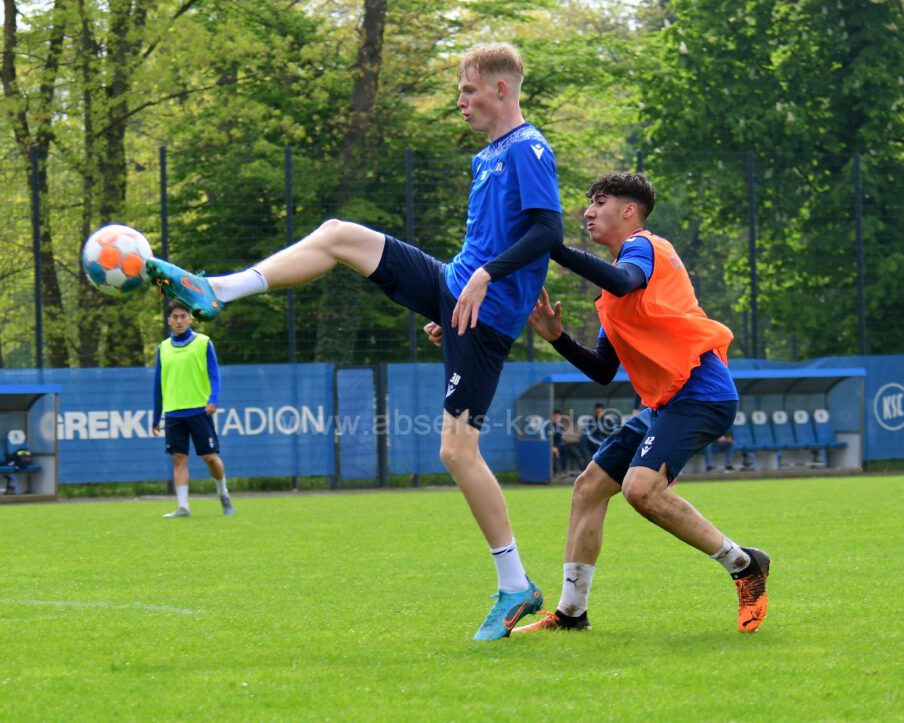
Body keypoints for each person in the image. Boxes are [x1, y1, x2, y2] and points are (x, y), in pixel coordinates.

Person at [145, 43, 563, 640]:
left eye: (469, 91)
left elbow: (547, 231)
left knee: (455, 452)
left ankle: (516, 585)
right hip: (454, 289)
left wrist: (487, 277)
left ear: (501, 90)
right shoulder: (488, 155)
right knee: (340, 234)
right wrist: (455, 293)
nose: (460, 101)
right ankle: (218, 288)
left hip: (485, 316)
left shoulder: (529, 147)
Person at [511, 171, 769, 635]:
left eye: (600, 202)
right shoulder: (610, 298)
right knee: (589, 486)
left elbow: (628, 280)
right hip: (667, 403)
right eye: (588, 205)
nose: (588, 212)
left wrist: (554, 248)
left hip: (701, 392)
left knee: (640, 490)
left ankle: (745, 564)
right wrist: (557, 338)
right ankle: (571, 613)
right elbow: (602, 369)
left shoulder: (647, 247)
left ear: (629, 211)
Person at [153, 300, 235, 518]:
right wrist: (156, 415)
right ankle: (183, 507)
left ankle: (223, 493)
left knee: (210, 458)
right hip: (173, 413)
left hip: (200, 410)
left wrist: (213, 399)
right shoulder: (163, 348)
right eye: (175, 317)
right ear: (169, 321)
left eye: (183, 316)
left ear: (190, 318)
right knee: (178, 459)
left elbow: (214, 374)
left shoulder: (203, 342)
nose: (179, 321)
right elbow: (158, 385)